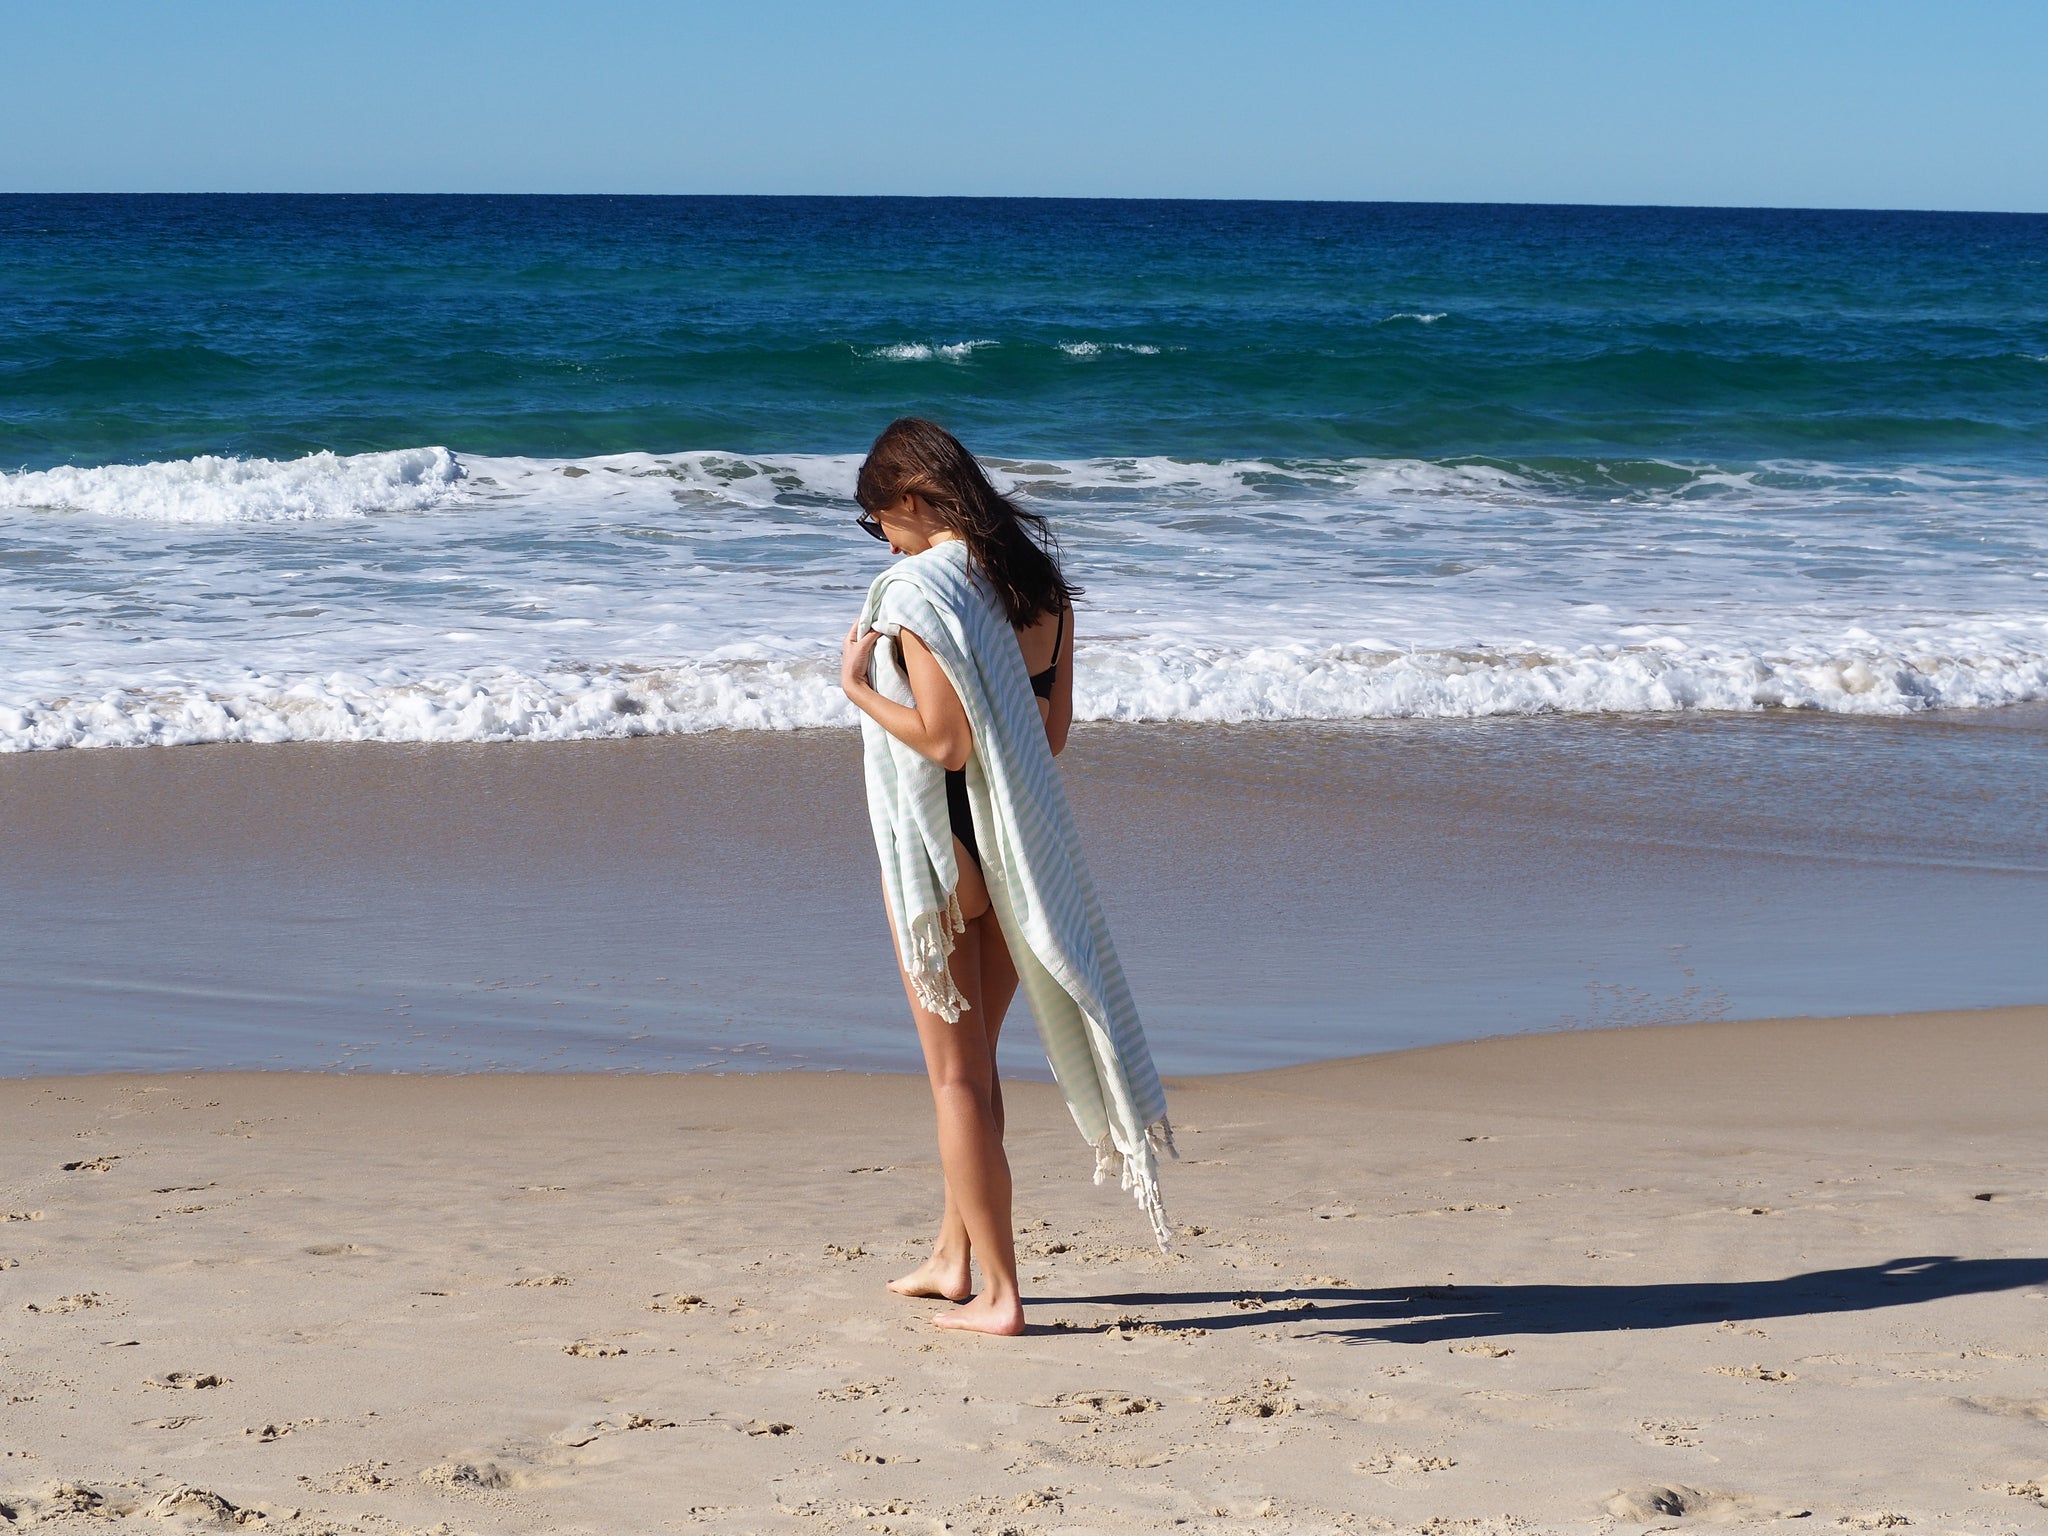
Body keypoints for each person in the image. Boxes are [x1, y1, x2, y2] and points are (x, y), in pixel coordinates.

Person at [838, 419, 1078, 1336]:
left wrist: (859, 688)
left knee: (954, 1081)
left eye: (878, 521)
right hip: (1016, 849)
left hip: (945, 851)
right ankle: (953, 1256)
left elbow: (946, 742)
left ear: (908, 497)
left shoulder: (920, 589)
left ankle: (1002, 1294)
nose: (882, 542)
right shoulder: (1039, 587)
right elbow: (1049, 738)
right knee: (975, 1071)